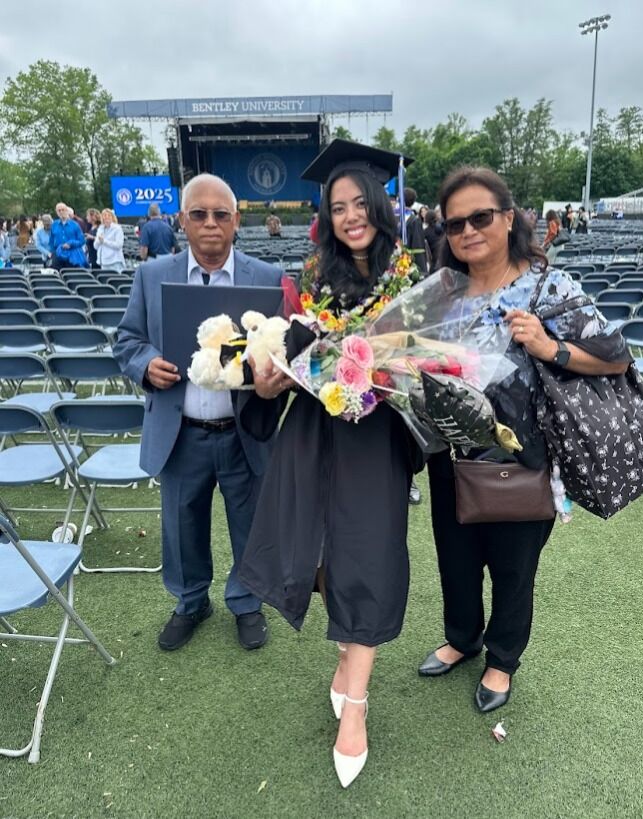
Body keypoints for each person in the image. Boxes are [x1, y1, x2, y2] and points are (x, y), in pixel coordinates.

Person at [239, 140, 423, 788]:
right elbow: (289, 350)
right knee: (318, 553)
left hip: (375, 439)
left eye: (359, 203)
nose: (350, 216)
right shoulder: (314, 276)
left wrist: (393, 367)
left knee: (367, 556)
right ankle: (347, 656)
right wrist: (270, 374)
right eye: (337, 207)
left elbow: (425, 362)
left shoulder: (411, 277)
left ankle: (357, 705)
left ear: (379, 204)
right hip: (315, 433)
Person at [418, 166, 631, 713]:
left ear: (509, 218)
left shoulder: (549, 287)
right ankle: (462, 638)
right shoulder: (442, 293)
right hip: (450, 455)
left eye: (481, 217)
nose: (468, 231)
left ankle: (502, 659)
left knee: (514, 570)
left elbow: (616, 358)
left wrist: (549, 347)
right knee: (455, 560)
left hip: (522, 458)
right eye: (455, 223)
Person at [113, 174, 282, 653]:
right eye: (199, 214)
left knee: (249, 523)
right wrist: (146, 365)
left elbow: (283, 348)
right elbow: (127, 340)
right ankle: (190, 601)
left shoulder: (266, 278)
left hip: (243, 429)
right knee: (182, 526)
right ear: (182, 221)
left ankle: (246, 602)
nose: (210, 223)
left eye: (221, 214)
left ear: (236, 221)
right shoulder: (151, 276)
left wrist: (270, 369)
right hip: (180, 430)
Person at [50, 202, 87, 270]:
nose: (61, 212)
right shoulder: (54, 225)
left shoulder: (75, 225)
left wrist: (71, 243)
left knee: (71, 274)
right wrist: (52, 252)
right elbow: (51, 241)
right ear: (57, 212)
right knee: (57, 274)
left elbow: (82, 241)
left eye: (63, 210)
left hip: (73, 255)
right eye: (59, 210)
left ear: (67, 211)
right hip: (58, 255)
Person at [403, 187, 428, 275]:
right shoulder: (414, 220)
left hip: (406, 263)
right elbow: (418, 245)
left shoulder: (413, 220)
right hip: (406, 263)